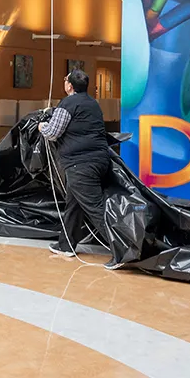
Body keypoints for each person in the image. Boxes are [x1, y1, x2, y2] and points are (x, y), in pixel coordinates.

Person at [38, 69, 119, 269]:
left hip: (80, 165)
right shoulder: (93, 104)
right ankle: (66, 245)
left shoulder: (68, 104)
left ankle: (124, 251)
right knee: (74, 204)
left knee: (95, 208)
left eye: (65, 79)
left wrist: (41, 127)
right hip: (100, 161)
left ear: (69, 86)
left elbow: (53, 133)